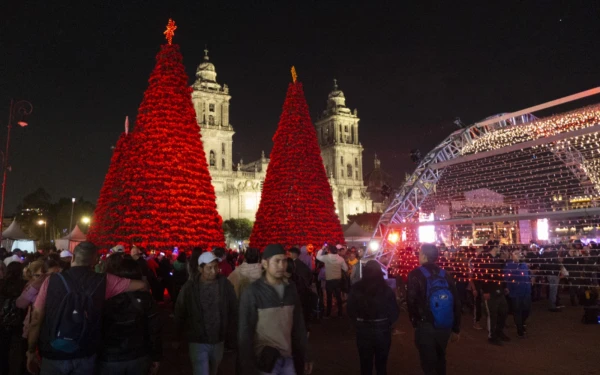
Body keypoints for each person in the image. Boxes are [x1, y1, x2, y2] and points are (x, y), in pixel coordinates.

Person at [26, 241, 146, 375]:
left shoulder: (51, 280)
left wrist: (31, 350)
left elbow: (36, 319)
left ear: (73, 257)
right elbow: (141, 285)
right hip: (85, 351)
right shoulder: (105, 281)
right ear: (94, 261)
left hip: (53, 351)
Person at [238, 244, 308, 375]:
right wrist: (247, 365)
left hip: (288, 358)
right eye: (277, 261)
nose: (282, 266)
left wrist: (305, 356)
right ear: (265, 263)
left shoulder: (291, 289)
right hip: (266, 361)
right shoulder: (253, 292)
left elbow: (299, 325)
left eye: (284, 261)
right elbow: (245, 332)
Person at [175, 251, 238, 375]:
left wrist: (231, 333)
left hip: (218, 339)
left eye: (216, 267)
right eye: (209, 268)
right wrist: (177, 335)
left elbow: (233, 308)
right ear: (200, 268)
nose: (214, 271)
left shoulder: (224, 284)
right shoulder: (190, 288)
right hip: (197, 340)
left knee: (214, 370)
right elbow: (180, 311)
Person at [99, 257, 162, 375]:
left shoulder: (104, 298)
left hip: (109, 357)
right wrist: (156, 356)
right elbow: (154, 330)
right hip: (138, 355)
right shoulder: (145, 298)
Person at [407, 244, 461, 375]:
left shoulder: (415, 274)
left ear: (424, 255)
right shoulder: (445, 274)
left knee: (427, 361)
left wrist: (415, 322)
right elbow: (456, 301)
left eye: (420, 253)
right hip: (444, 324)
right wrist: (456, 328)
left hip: (425, 324)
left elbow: (411, 301)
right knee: (441, 356)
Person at [348, 260, 399, 375]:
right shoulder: (386, 290)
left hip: (363, 328)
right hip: (382, 328)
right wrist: (389, 323)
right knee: (381, 364)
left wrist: (356, 322)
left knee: (365, 363)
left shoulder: (356, 288)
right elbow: (394, 311)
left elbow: (350, 310)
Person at [0, 262, 27, 375]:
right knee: (18, 349)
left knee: (3, 349)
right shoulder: (24, 284)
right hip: (19, 321)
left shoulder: (2, 283)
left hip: (3, 320)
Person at [481, 246, 509, 345]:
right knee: (492, 314)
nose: (499, 249)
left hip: (499, 290)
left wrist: (504, 286)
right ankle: (492, 336)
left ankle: (499, 331)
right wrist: (485, 291)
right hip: (491, 291)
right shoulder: (485, 261)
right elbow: (483, 276)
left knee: (503, 311)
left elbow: (500, 274)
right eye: (497, 247)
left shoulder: (496, 260)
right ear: (493, 248)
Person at [503, 250, 532, 338]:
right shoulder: (509, 265)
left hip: (526, 291)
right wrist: (507, 287)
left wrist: (532, 279)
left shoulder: (524, 265)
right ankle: (520, 329)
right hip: (515, 291)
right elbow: (506, 278)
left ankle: (521, 323)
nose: (518, 255)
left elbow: (529, 274)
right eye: (516, 253)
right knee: (517, 310)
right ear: (512, 255)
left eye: (519, 253)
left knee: (526, 310)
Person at [316, 244, 348, 317]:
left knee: (329, 297)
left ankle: (328, 313)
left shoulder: (326, 258)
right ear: (336, 251)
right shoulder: (340, 259)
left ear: (329, 251)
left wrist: (322, 249)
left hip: (329, 281)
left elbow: (318, 257)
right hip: (338, 280)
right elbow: (346, 269)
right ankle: (340, 313)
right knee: (338, 297)